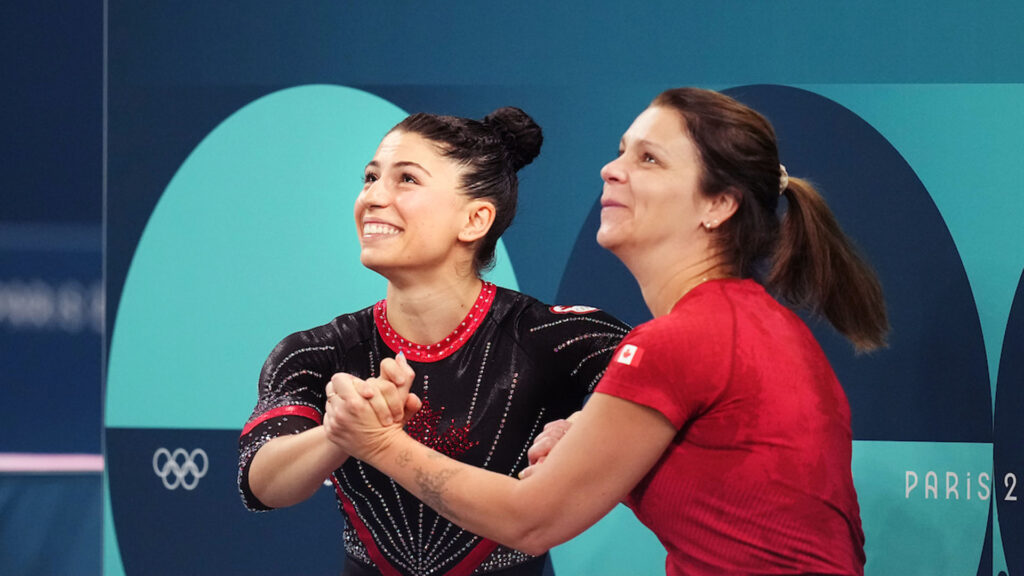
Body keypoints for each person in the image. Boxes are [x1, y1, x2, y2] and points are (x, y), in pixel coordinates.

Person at [324, 87, 888, 576]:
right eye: (621, 151)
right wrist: (588, 433)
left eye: (649, 159)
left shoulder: (680, 342)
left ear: (718, 205)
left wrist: (378, 443)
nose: (611, 169)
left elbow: (529, 520)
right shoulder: (753, 323)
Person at [237, 107, 631, 576]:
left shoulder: (555, 337)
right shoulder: (316, 352)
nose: (373, 197)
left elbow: (673, 392)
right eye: (370, 178)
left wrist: (584, 427)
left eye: (406, 179)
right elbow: (262, 484)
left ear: (475, 220)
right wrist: (341, 432)